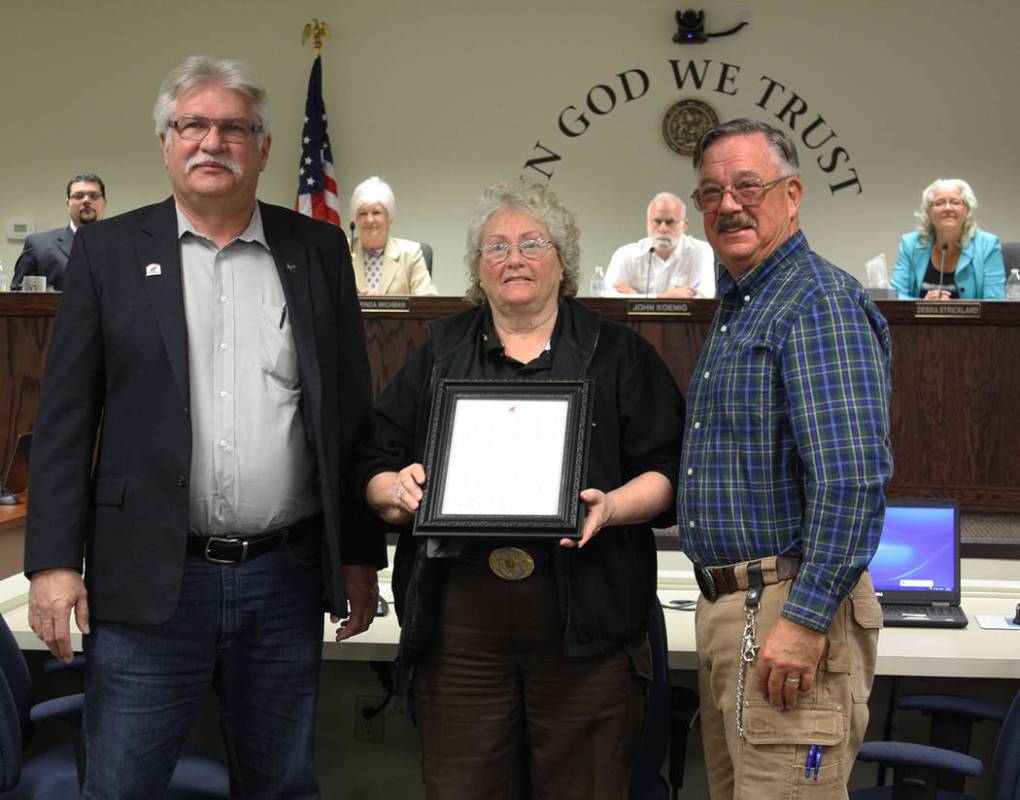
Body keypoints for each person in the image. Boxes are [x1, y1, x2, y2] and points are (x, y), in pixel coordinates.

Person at [23, 55, 384, 798]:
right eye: (193, 125)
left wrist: (357, 556)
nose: (211, 142)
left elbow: (345, 414)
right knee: (121, 784)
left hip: (284, 576)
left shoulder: (315, 250)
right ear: (166, 141)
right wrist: (54, 564)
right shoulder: (108, 252)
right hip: (150, 578)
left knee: (280, 783)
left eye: (233, 127)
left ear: (264, 147)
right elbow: (63, 420)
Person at [360, 179, 685, 798]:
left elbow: (670, 469)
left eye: (532, 243)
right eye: (495, 247)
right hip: (461, 635)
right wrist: (392, 491)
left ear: (563, 261)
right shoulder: (438, 353)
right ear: (477, 270)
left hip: (586, 628)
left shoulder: (618, 354)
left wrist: (614, 506)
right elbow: (375, 460)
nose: (513, 259)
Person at [678, 119, 892, 799]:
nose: (727, 205)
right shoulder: (745, 302)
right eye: (710, 193)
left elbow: (852, 481)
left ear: (792, 194)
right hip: (735, 609)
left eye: (747, 186)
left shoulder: (816, 304)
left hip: (787, 610)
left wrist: (802, 622)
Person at [890, 178, 1006, 300]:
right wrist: (923, 305)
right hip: (921, 319)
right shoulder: (910, 244)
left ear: (967, 210)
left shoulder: (988, 246)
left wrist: (954, 309)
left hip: (971, 320)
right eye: (939, 203)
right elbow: (895, 295)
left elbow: (995, 301)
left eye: (955, 202)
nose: (948, 208)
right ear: (928, 212)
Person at [605, 191, 715, 298]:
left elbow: (704, 296)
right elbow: (607, 294)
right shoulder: (626, 254)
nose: (663, 229)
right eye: (657, 222)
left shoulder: (700, 251)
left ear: (684, 225)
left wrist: (636, 297)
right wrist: (662, 297)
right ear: (647, 223)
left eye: (670, 222)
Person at [11, 173, 107, 291]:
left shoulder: (122, 245)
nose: (86, 200)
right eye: (78, 196)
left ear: (104, 202)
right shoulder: (38, 246)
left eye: (94, 196)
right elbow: (17, 298)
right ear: (68, 204)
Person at [349, 176, 438, 295]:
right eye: (362, 214)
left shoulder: (410, 253)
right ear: (355, 219)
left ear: (389, 219)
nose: (369, 220)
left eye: (376, 213)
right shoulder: (340, 250)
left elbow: (428, 299)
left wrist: (386, 303)